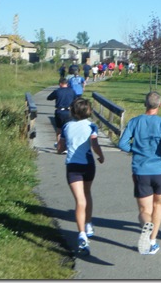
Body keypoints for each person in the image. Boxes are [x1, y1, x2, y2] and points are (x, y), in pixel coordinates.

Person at [118, 92, 161, 255]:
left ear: (145, 104)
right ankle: (152, 241)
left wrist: (135, 150)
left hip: (141, 170)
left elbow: (122, 143)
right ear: (160, 105)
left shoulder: (135, 122)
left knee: (145, 210)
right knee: (158, 205)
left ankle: (146, 225)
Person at [57, 97, 105, 256]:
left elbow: (61, 147)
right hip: (88, 164)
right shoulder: (92, 125)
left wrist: (59, 149)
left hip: (73, 166)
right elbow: (95, 144)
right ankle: (88, 223)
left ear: (72, 111)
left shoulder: (67, 126)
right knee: (87, 193)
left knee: (79, 200)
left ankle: (82, 234)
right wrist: (101, 156)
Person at [47, 77, 77, 150]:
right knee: (68, 129)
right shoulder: (72, 91)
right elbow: (76, 100)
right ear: (67, 84)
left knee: (59, 129)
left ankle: (59, 146)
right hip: (69, 112)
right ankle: (67, 146)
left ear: (60, 84)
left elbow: (49, 98)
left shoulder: (57, 91)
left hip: (59, 112)